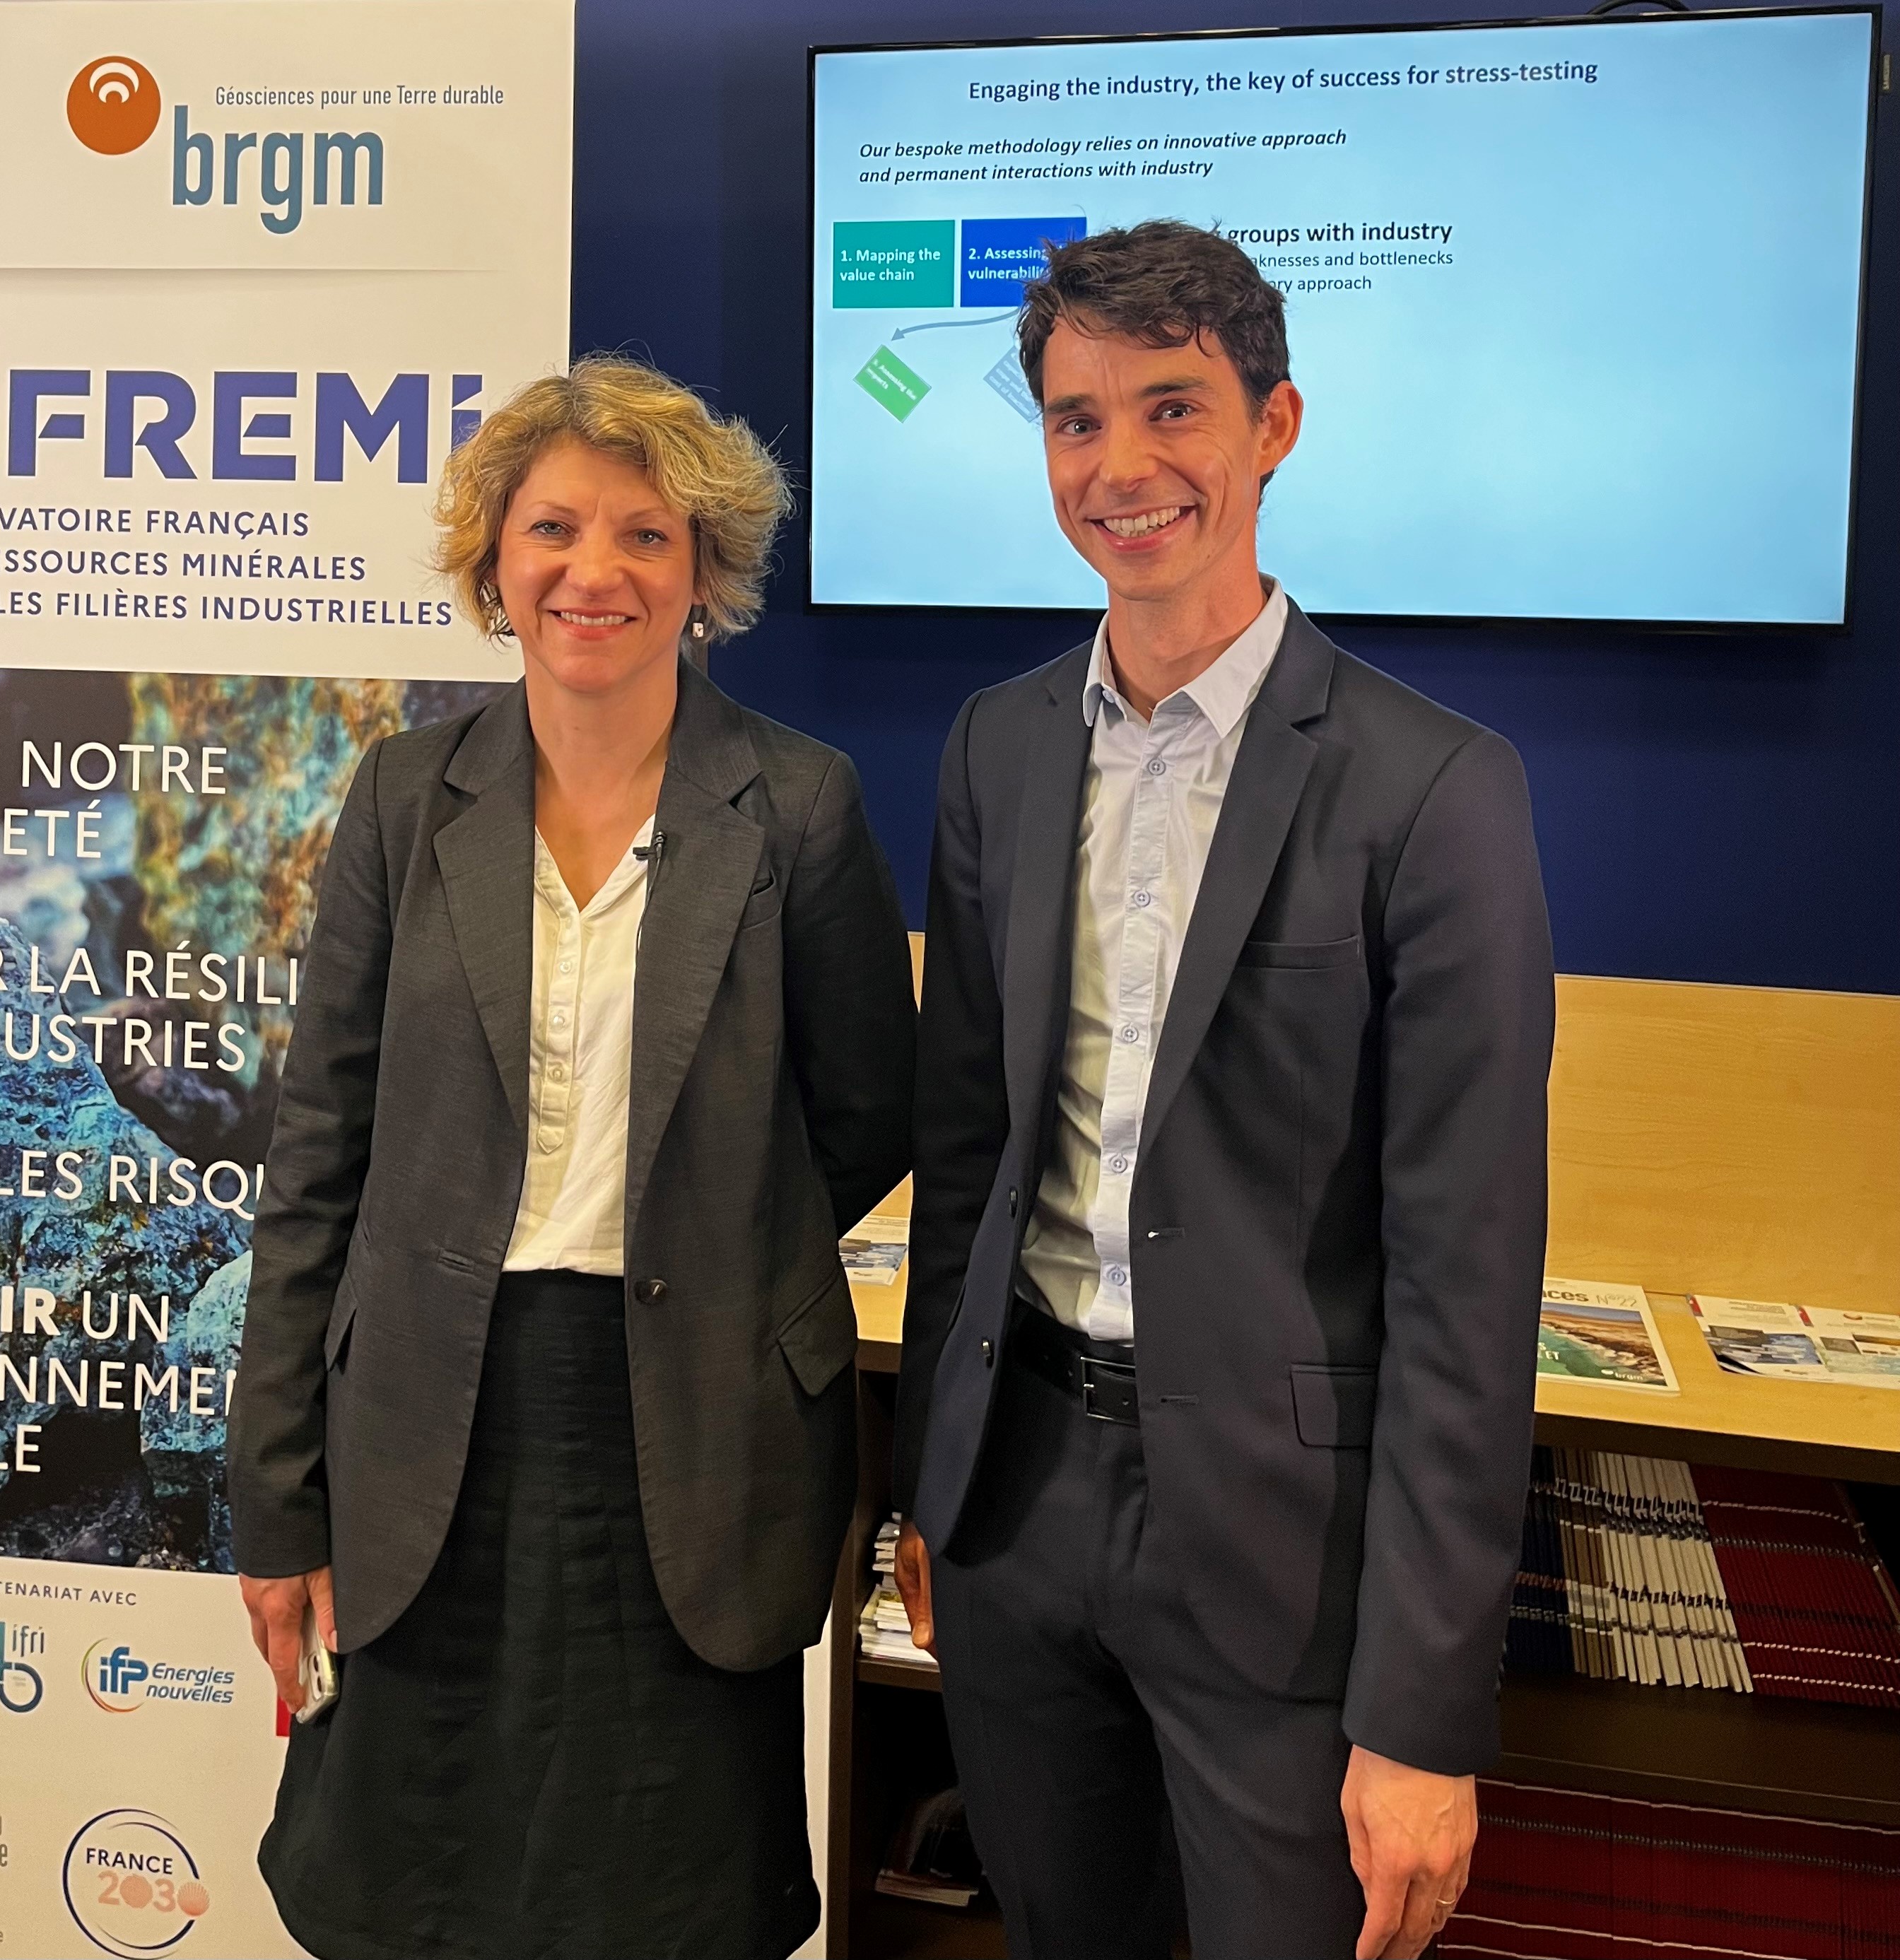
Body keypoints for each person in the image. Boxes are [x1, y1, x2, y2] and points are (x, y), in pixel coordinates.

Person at [892, 220, 1554, 1960]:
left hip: (1283, 1547)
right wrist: (929, 1489)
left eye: (1172, 407)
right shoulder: (996, 748)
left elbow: (1469, 1287)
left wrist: (1424, 1713)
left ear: (1275, 425)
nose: (1121, 465)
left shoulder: (1435, 790)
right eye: (1076, 419)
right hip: (1017, 1503)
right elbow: (967, 1155)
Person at [228, 356, 915, 1960]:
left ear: (704, 571)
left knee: (669, 1896)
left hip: (695, 1429)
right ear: (495, 559)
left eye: (644, 534)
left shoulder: (798, 806)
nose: (593, 570)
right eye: (552, 528)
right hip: (427, 1429)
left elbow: (868, 1113)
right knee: (404, 1889)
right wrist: (276, 1502)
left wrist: (712, 1221)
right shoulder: (404, 798)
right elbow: (317, 1159)